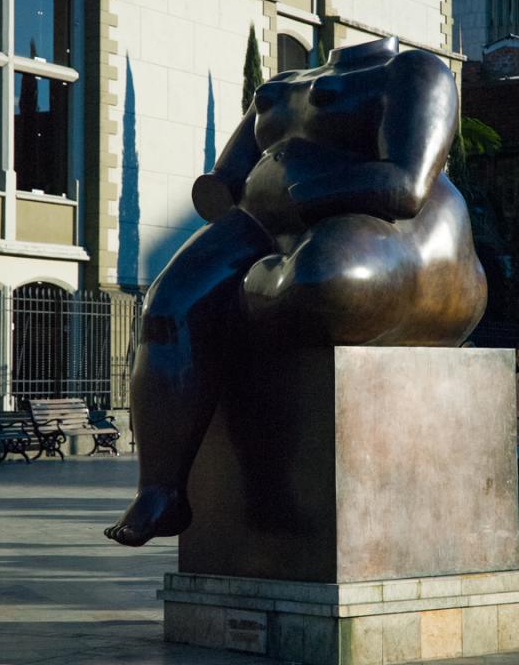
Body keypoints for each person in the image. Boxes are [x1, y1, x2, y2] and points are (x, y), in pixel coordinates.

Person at [104, 36, 487, 546]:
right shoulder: (281, 86)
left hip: (369, 220)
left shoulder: (411, 72)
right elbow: (226, 180)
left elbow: (407, 185)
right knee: (168, 306)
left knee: (317, 283)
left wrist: (300, 193)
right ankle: (161, 490)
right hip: (261, 225)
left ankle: (269, 485)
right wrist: (226, 197)